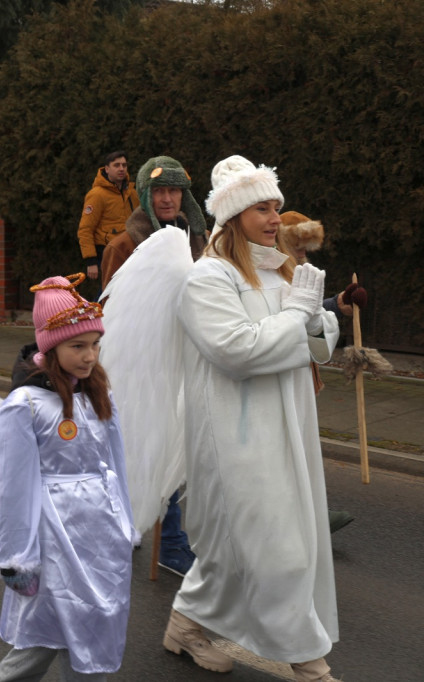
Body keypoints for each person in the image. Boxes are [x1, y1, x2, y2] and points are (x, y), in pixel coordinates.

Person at [162, 156, 340, 681]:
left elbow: (322, 342)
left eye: (276, 207)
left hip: (287, 425)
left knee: (238, 549)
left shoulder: (281, 269)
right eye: (261, 207)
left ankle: (185, 624)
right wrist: (296, 316)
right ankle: (310, 663)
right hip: (234, 434)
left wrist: (309, 317)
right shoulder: (207, 279)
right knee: (276, 550)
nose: (273, 217)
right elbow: (238, 352)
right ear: (235, 214)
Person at [0, 273, 135, 682]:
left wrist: (125, 525)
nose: (90, 356)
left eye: (95, 345)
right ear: (51, 348)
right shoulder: (26, 405)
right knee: (36, 647)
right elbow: (16, 487)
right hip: (54, 542)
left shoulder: (99, 394)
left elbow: (115, 463)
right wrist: (18, 558)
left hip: (99, 542)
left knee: (93, 640)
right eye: (78, 346)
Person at [100, 155, 207, 577]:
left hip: (191, 357)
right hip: (144, 369)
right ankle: (161, 535)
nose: (167, 198)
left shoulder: (203, 242)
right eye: (160, 191)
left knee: (183, 450)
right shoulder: (124, 246)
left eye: (174, 190)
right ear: (145, 194)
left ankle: (178, 538)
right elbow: (110, 313)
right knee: (146, 445)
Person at [279, 210, 366, 534]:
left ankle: (310, 512)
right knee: (284, 453)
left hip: (302, 374)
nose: (303, 253)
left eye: (306, 247)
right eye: (297, 246)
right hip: (277, 378)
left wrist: (339, 302)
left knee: (299, 449)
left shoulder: (297, 271)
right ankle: (304, 516)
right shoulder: (271, 274)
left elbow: (311, 313)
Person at [77, 151, 139, 284]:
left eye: (124, 165)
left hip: (130, 251)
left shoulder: (132, 193)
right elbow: (85, 229)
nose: (121, 169)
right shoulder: (97, 195)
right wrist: (91, 261)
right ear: (107, 169)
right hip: (107, 252)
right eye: (116, 165)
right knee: (109, 292)